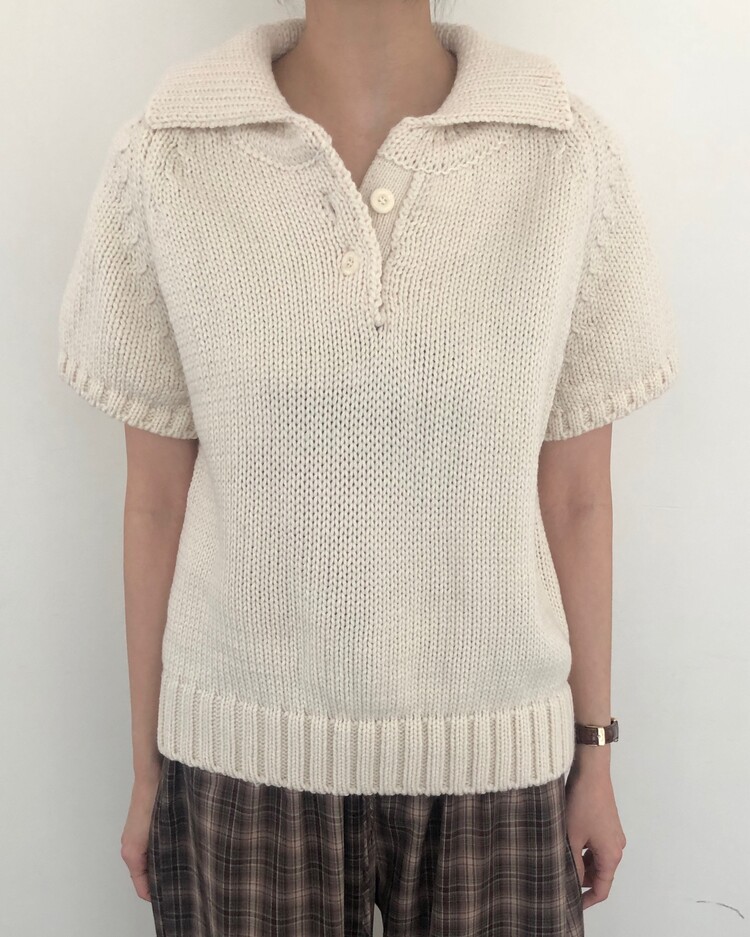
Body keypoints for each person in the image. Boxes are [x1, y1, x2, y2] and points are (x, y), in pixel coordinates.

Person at [56, 1, 680, 935]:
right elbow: (154, 502)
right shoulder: (170, 154)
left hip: (500, 767)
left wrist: (595, 753)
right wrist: (149, 772)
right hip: (242, 768)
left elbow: (578, 497)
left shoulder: (562, 154)